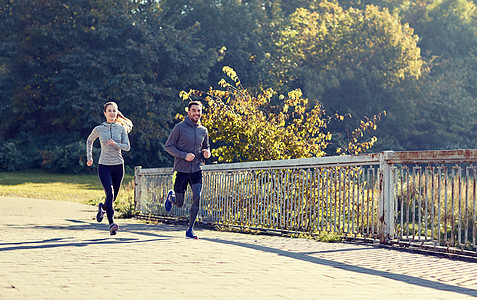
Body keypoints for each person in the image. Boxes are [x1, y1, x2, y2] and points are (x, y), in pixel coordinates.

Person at [164, 100, 210, 239]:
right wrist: (184, 155)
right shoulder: (179, 127)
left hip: (196, 169)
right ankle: (171, 197)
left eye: (199, 111)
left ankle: (190, 229)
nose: (197, 113)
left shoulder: (203, 130)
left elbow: (206, 147)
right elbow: (168, 146)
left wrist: (207, 152)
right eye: (194, 110)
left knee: (197, 196)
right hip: (181, 170)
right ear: (188, 112)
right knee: (179, 203)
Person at [86, 101, 133, 235]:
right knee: (110, 193)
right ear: (105, 113)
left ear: (117, 112)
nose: (112, 113)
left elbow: (127, 147)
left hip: (118, 165)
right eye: (110, 110)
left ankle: (103, 207)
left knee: (113, 197)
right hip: (104, 166)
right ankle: (112, 223)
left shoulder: (121, 128)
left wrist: (115, 144)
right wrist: (90, 157)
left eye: (114, 110)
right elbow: (89, 141)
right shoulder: (99, 129)